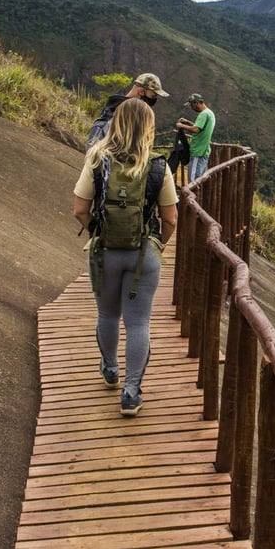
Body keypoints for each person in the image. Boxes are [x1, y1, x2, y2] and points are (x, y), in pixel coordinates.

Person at [73, 98, 179, 416]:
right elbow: (171, 218)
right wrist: (157, 244)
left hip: (105, 252)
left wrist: (97, 231)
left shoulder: (97, 159)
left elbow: (79, 209)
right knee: (138, 322)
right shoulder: (159, 167)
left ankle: (109, 369)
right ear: (148, 128)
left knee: (107, 315)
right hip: (141, 256)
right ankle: (131, 392)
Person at [86, 72, 169, 150]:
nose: (153, 100)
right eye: (153, 96)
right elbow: (93, 147)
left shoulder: (135, 116)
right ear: (141, 92)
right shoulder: (115, 112)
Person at [176, 92, 216, 182]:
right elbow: (200, 128)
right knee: (200, 180)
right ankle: (199, 196)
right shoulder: (210, 113)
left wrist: (181, 126)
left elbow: (196, 130)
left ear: (196, 103)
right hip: (204, 151)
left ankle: (193, 196)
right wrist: (188, 122)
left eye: (191, 105)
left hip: (198, 152)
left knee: (193, 181)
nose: (191, 108)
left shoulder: (203, 114)